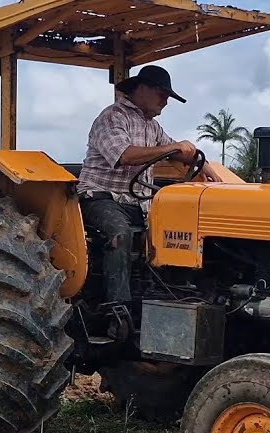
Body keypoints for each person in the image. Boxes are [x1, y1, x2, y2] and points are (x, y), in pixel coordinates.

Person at [77, 64, 215, 304]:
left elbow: (177, 151)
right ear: (142, 89)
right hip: (100, 197)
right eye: (162, 94)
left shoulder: (152, 126)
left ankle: (171, 294)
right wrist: (173, 148)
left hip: (136, 204)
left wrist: (205, 167)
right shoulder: (112, 117)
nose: (166, 102)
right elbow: (125, 155)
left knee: (177, 231)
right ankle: (118, 308)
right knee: (119, 233)